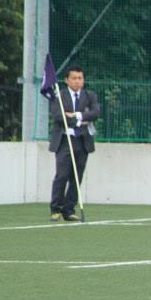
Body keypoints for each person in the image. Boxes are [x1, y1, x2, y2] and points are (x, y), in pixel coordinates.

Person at [49, 66, 100, 221]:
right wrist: (80, 121)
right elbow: (58, 116)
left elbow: (95, 113)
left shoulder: (90, 96)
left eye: (80, 78)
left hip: (82, 141)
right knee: (62, 175)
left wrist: (76, 115)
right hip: (65, 141)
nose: (77, 81)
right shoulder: (59, 96)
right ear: (67, 80)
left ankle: (69, 209)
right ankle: (56, 208)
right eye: (74, 78)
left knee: (77, 176)